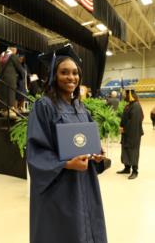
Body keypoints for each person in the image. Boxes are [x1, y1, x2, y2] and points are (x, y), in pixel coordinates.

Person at [26, 44, 108, 243]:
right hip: (60, 187)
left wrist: (97, 154)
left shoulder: (81, 108)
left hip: (85, 183)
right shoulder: (43, 106)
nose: (71, 77)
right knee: (64, 232)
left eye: (75, 73)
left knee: (86, 229)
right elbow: (35, 150)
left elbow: (87, 143)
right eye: (64, 72)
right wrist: (66, 164)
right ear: (54, 75)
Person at [116, 88, 144, 179]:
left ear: (130, 95)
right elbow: (125, 118)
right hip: (127, 133)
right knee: (125, 149)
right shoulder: (129, 105)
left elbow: (134, 122)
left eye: (126, 94)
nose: (124, 96)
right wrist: (121, 126)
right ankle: (127, 168)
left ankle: (135, 171)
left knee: (133, 151)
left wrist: (125, 129)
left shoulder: (136, 106)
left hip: (133, 133)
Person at [0, 46, 25, 117]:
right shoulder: (12, 56)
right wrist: (22, 77)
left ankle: (4, 110)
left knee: (4, 94)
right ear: (13, 50)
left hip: (2, 79)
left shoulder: (2, 55)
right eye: (16, 51)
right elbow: (19, 68)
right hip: (10, 79)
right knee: (10, 93)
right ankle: (10, 111)